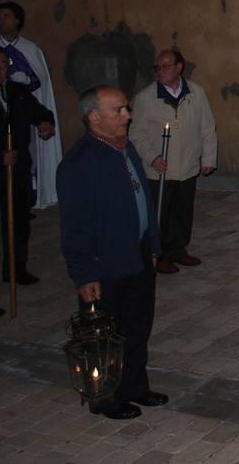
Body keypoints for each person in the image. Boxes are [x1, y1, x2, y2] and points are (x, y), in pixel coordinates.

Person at [58, 86, 168, 420]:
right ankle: (105, 397)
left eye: (126, 109)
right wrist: (84, 273)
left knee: (137, 327)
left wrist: (153, 244)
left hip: (137, 255)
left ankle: (135, 386)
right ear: (94, 117)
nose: (127, 116)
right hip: (105, 263)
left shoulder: (124, 146)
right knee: (106, 335)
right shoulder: (80, 163)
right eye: (118, 110)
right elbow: (74, 226)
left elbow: (143, 200)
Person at [129, 49, 217, 274]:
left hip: (187, 165)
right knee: (161, 213)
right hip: (160, 168)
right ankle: (160, 254)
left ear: (179, 67)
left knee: (182, 210)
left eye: (166, 66)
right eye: (158, 67)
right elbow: (136, 134)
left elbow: (207, 127)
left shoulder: (196, 93)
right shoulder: (146, 98)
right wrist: (152, 156)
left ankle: (178, 249)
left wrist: (208, 158)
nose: (161, 71)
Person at [0, 45, 54, 285]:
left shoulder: (17, 92)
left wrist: (45, 123)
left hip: (17, 169)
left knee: (17, 222)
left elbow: (41, 112)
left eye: (2, 65)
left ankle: (15, 269)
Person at [0, 1, 63, 209]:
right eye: (0, 16)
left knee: (25, 157)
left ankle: (26, 196)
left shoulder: (30, 49)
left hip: (22, 113)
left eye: (7, 15)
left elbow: (41, 81)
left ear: (17, 20)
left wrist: (25, 83)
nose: (2, 20)